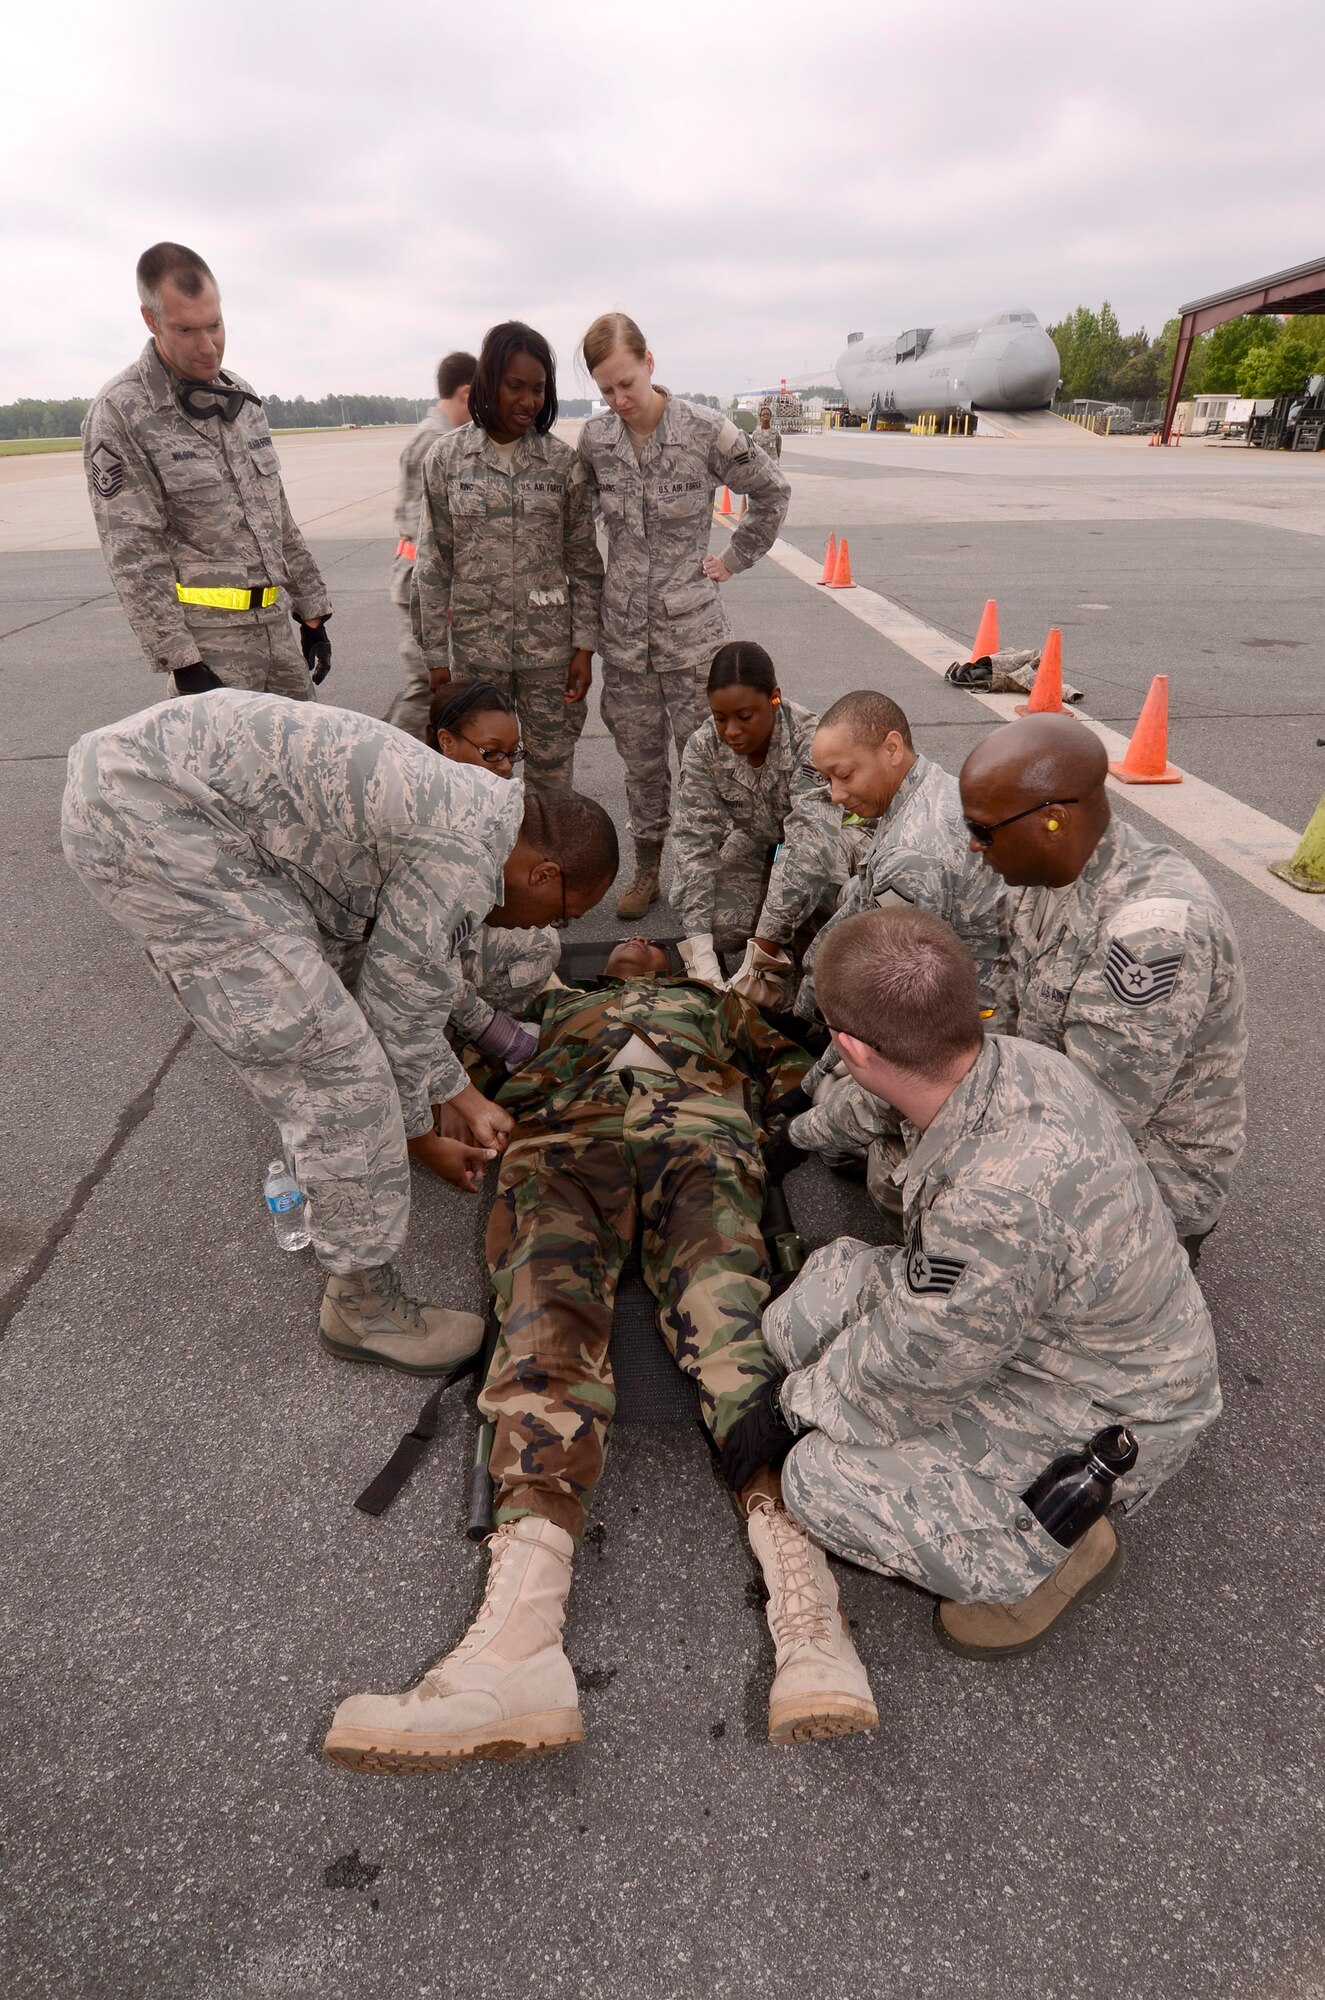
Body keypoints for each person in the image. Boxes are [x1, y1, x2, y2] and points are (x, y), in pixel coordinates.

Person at [322, 945, 878, 1772]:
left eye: (648, 946)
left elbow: (789, 1069)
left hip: (696, 1134)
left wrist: (752, 1130)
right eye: (621, 950)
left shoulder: (711, 1003)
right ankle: (517, 1646)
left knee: (731, 1329)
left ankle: (811, 1620)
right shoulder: (545, 1010)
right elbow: (461, 1076)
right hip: (560, 1141)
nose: (633, 948)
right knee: (539, 1335)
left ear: (664, 959)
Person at [62, 691, 618, 1373]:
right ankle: (363, 1309)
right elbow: (393, 1015)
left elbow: (396, 974)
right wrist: (425, 1130)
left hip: (175, 796)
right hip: (152, 816)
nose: (545, 929)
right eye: (561, 913)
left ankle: (338, 1182)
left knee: (336, 1018)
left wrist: (452, 1095)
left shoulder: (481, 809)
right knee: (333, 1068)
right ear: (545, 873)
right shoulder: (465, 857)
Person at [727, 907, 1222, 1658]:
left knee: (818, 1480)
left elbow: (921, 1367)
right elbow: (877, 1094)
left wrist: (791, 1409)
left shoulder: (997, 1200)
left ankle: (1036, 1554)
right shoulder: (1014, 1059)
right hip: (1026, 1318)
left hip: (1102, 1404)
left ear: (848, 1044)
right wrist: (791, 1133)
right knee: (803, 1312)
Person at [959, 712, 1247, 1258]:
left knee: (967, 1243)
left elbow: (1098, 1119)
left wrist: (968, 1149)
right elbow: (1000, 1003)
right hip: (1055, 1104)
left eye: (982, 830)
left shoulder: (1152, 933)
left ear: (1053, 820)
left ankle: (1152, 1285)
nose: (974, 846)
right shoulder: (1039, 874)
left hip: (1145, 1169)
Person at [577, 312, 791, 918]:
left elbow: (771, 489)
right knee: (640, 763)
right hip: (625, 642)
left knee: (713, 759)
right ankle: (647, 866)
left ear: (650, 363)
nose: (619, 400)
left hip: (693, 636)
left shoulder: (705, 431)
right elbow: (576, 521)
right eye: (606, 391)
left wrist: (736, 557)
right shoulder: (596, 441)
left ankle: (725, 871)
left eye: (627, 384)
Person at [786, 690, 1015, 1190]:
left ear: (891, 748)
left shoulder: (914, 852)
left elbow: (884, 998)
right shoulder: (925, 789)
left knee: (847, 1130)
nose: (835, 795)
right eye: (826, 779)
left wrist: (807, 1089)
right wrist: (803, 1006)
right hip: (956, 979)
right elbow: (855, 910)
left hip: (973, 1020)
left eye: (844, 775)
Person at [82, 242, 331, 701]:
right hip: (210, 646)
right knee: (223, 775)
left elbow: (276, 513)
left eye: (215, 325)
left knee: (306, 767)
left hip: (277, 630)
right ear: (151, 320)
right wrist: (182, 660)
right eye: (187, 330)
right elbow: (135, 553)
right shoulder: (122, 411)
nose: (207, 345)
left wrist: (311, 611)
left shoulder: (241, 396)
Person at [412, 321, 602, 794]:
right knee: (479, 781)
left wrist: (584, 647)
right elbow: (434, 563)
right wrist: (436, 656)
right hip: (478, 654)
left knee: (552, 775)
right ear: (488, 382)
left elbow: (583, 563)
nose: (528, 401)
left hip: (550, 654)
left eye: (538, 389)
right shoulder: (446, 459)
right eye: (515, 386)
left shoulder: (563, 465)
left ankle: (546, 860)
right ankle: (485, 867)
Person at [670, 642, 845, 1006]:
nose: (730, 731)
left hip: (831, 842)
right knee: (718, 920)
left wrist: (762, 952)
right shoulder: (703, 746)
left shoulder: (811, 741)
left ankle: (794, 961)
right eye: (720, 719)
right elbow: (693, 844)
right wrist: (700, 954)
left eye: (744, 717)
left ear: (774, 699)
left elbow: (809, 848)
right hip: (759, 840)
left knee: (832, 917)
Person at [430, 679, 560, 1071]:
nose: (504, 767)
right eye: (491, 754)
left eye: (511, 754)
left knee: (541, 941)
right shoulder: (427, 822)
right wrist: (494, 1034)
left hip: (438, 947)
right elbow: (423, 962)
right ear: (446, 742)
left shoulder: (489, 799)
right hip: (389, 963)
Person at [386, 351, 477, 740]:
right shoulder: (436, 442)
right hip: (425, 586)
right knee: (428, 688)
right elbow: (427, 530)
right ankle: (391, 761)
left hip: (423, 582)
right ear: (467, 392)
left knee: (441, 687)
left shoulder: (434, 434)